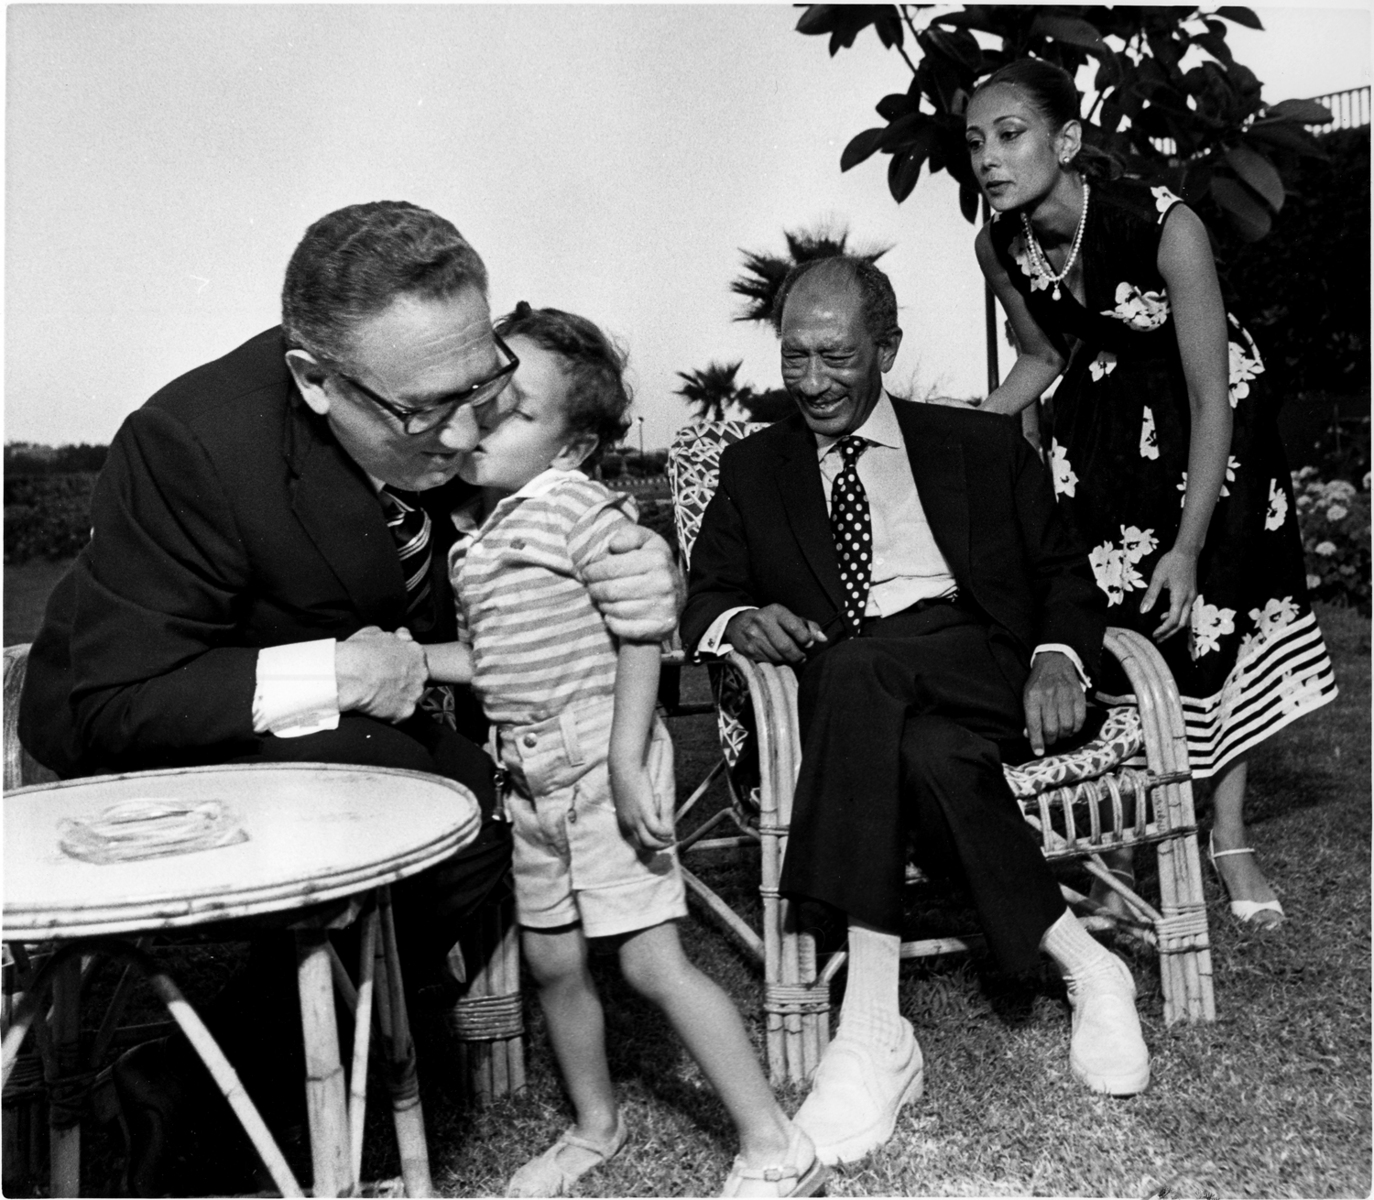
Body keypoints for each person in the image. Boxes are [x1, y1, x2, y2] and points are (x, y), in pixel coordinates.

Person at [17, 201, 680, 1193]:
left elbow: (557, 531)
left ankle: (180, 1081)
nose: (467, 434)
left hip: (353, 718)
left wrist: (642, 573)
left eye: (484, 384)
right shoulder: (192, 444)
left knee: (473, 808)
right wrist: (335, 671)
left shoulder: (444, 394)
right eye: (425, 411)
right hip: (142, 718)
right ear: (315, 383)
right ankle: (218, 1083)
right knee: (417, 792)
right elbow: (120, 694)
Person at [680, 255, 1152, 1168]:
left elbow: (1063, 577)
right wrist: (743, 618)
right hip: (862, 693)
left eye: (836, 356)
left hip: (978, 661)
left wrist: (1057, 658)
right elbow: (706, 600)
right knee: (923, 750)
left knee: (861, 674)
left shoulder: (978, 446)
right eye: (795, 357)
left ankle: (871, 1033)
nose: (812, 382)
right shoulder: (753, 466)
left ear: (887, 348)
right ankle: (1090, 967)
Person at [423, 302, 824, 1199]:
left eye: (517, 412)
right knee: (555, 961)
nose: (486, 421)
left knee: (650, 960)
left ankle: (774, 1143)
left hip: (602, 770)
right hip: (527, 778)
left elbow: (645, 624)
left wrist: (620, 753)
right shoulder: (476, 540)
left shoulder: (574, 506)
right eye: (484, 399)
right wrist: (408, 658)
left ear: (569, 447)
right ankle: (595, 1126)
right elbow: (489, 663)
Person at [965, 59, 1338, 928]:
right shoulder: (998, 245)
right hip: (1101, 430)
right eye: (976, 141)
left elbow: (1210, 390)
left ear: (1067, 142)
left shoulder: (1163, 224)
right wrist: (970, 427)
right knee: (1112, 626)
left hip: (1214, 429)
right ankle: (1130, 834)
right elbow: (1044, 357)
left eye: (1010, 134)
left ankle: (1230, 835)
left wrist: (1189, 542)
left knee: (1214, 618)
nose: (988, 157)